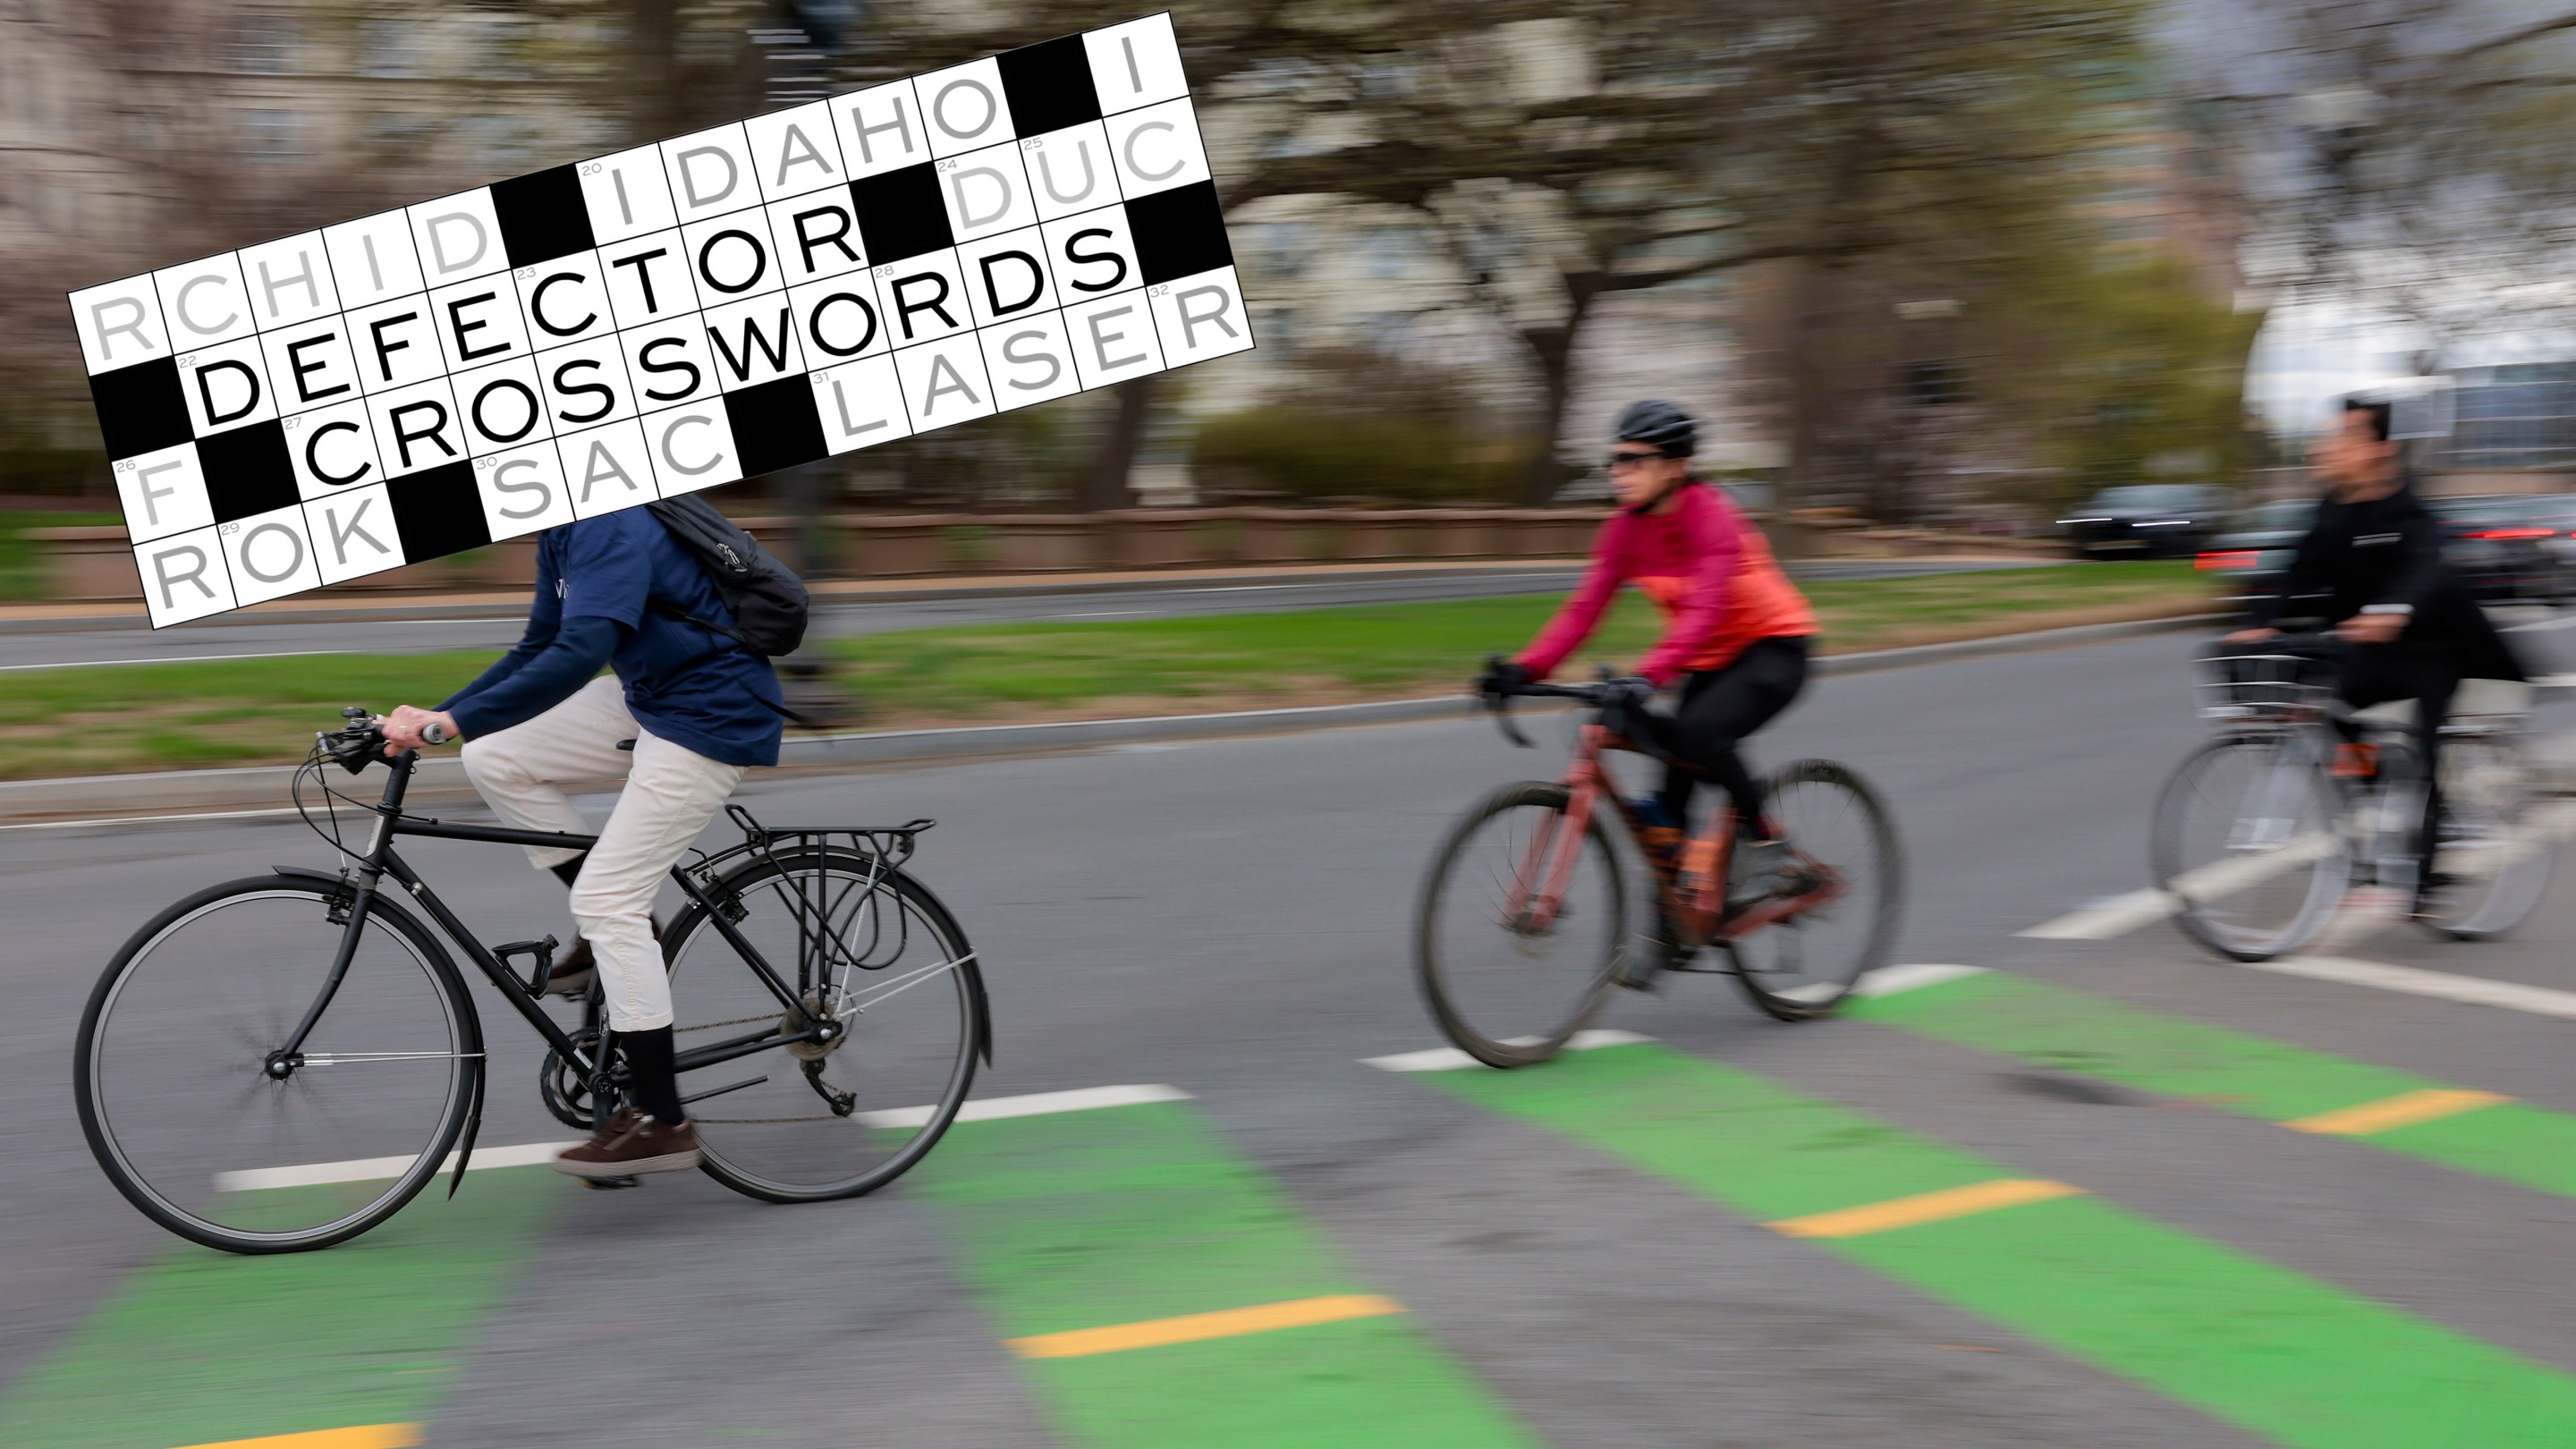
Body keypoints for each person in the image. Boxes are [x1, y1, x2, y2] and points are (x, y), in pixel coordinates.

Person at [378, 507, 786, 1179]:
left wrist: (448, 722)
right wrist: (436, 718)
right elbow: (538, 648)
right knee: (495, 753)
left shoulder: (609, 520)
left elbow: (582, 650)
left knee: (607, 900)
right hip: (650, 697)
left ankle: (664, 1120)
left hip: (712, 712)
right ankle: (625, 933)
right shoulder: (561, 531)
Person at [1479, 400, 1819, 967]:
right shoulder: (1622, 532)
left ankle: (1770, 847)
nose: (1619, 471)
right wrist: (1525, 670)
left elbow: (1706, 610)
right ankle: (1680, 924)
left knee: (1699, 736)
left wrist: (1648, 676)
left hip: (1773, 648)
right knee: (1667, 787)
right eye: (1615, 460)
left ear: (1675, 467)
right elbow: (1583, 610)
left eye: (1634, 460)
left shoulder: (1713, 518)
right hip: (1705, 662)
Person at [2224, 395, 2525, 911]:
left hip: (2436, 648)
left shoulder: (2410, 511)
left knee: (2425, 749)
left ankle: (2423, 874)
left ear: (2381, 450)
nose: (2327, 447)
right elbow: (2295, 573)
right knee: (2332, 714)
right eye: (2329, 436)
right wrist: (2258, 625)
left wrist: (2393, 608)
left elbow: (2424, 565)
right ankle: (2380, 778)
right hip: (2369, 647)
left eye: (2343, 437)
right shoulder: (2331, 510)